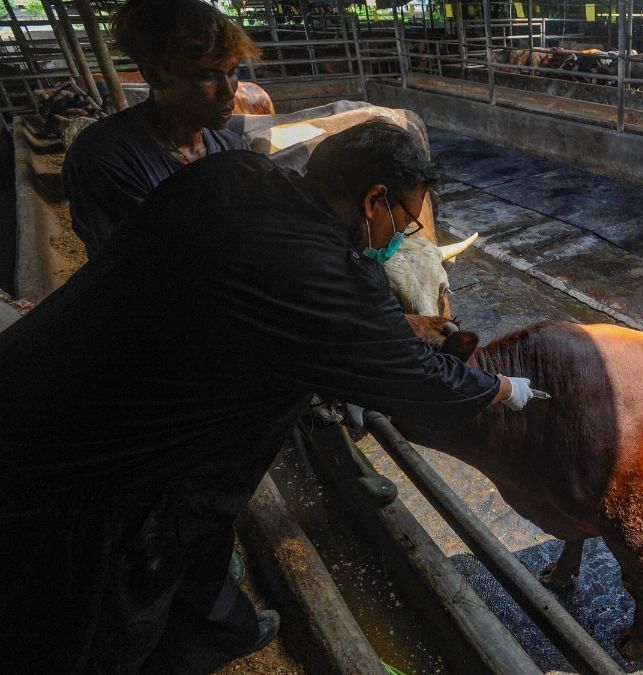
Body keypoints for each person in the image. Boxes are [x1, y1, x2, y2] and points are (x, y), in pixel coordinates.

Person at [0, 121, 540, 672]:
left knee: (197, 541)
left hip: (44, 378)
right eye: (403, 220)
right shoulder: (327, 273)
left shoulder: (230, 173)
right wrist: (501, 386)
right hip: (105, 463)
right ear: (374, 200)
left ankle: (216, 635)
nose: (401, 234)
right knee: (109, 607)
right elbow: (418, 380)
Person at [62, 0, 259, 257]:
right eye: (206, 76)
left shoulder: (232, 146)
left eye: (233, 72)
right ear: (155, 76)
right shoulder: (102, 158)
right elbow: (133, 263)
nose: (228, 92)